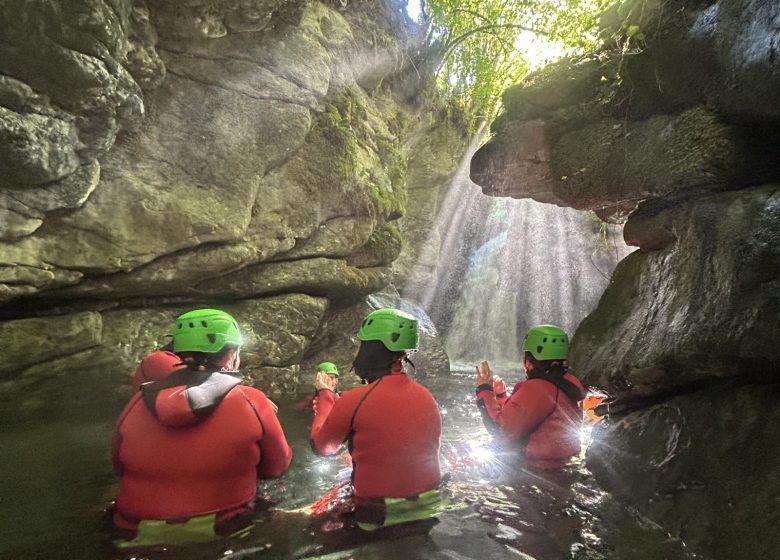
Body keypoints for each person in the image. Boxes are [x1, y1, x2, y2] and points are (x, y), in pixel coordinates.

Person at [112, 309, 292, 546]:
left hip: (132, 532)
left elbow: (118, 466)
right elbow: (277, 466)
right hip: (225, 529)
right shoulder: (250, 400)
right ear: (230, 354)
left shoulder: (138, 401)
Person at [310, 308, 443, 530]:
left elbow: (322, 447)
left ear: (371, 350)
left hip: (375, 515)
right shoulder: (426, 396)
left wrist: (325, 397)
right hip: (429, 508)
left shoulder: (355, 399)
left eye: (361, 346)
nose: (356, 353)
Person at [475, 325, 586, 469]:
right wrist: (501, 397)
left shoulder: (538, 388)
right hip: (559, 466)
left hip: (532, 470)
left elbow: (501, 430)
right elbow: (524, 420)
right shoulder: (564, 385)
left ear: (528, 361)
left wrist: (484, 389)